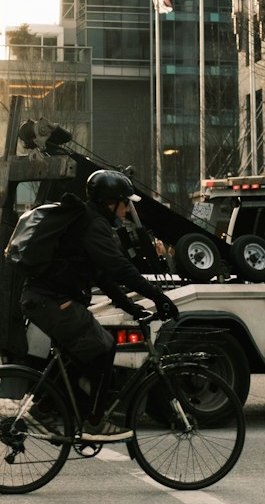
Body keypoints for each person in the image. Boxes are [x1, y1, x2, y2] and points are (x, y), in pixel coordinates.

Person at [19, 169, 179, 441]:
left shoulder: (88, 222)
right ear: (110, 202)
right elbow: (118, 268)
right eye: (125, 203)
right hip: (51, 301)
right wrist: (159, 296)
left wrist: (130, 307)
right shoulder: (94, 225)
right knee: (104, 347)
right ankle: (93, 421)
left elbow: (103, 276)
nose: (127, 210)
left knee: (85, 350)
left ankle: (47, 408)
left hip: (48, 299)